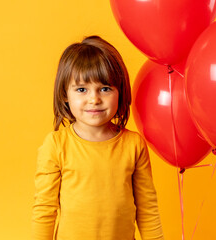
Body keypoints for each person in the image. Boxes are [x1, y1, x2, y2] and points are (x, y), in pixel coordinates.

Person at [32, 35, 164, 240]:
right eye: (82, 89)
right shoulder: (56, 145)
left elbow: (147, 208)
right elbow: (44, 210)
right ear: (65, 94)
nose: (94, 99)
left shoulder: (134, 145)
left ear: (120, 91)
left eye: (105, 88)